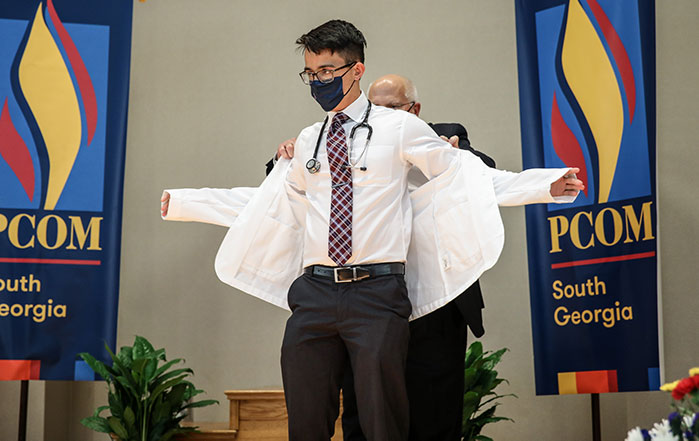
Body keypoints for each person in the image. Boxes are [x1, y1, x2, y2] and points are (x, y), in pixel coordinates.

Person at [160, 19, 583, 441]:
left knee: (382, 421)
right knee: (306, 419)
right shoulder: (308, 140)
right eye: (311, 73)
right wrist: (187, 203)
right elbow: (269, 205)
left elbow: (464, 178)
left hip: (377, 293)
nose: (318, 82)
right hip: (315, 294)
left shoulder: (400, 128)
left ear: (356, 69)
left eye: (328, 72)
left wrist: (543, 185)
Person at [270, 73, 497, 441]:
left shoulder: (436, 134)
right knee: (363, 411)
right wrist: (285, 155)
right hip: (366, 295)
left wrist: (455, 151)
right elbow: (293, 190)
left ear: (415, 109)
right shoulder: (346, 139)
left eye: (393, 107)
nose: (382, 114)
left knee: (435, 411)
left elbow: (484, 173)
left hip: (434, 300)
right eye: (376, 107)